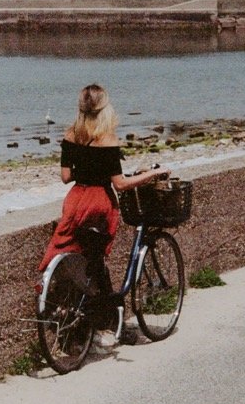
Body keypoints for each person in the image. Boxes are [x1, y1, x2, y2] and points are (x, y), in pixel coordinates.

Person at [38, 83, 169, 349]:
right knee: (96, 261)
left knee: (82, 259)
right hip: (98, 202)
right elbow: (119, 184)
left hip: (75, 201)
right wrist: (153, 175)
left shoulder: (71, 134)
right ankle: (104, 321)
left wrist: (84, 169)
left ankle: (94, 324)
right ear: (104, 108)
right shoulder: (108, 139)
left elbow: (65, 177)